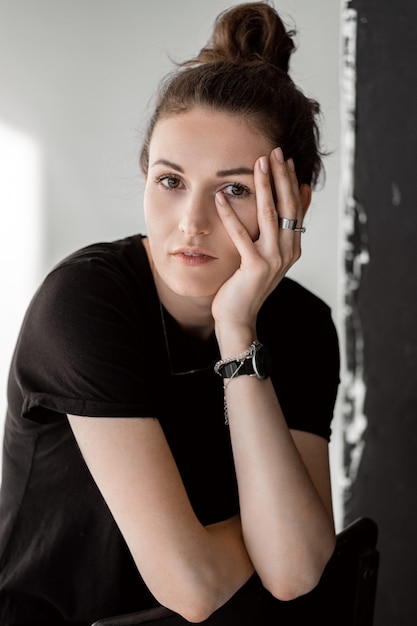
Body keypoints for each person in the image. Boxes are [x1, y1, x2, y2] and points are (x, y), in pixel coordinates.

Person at [0, 2, 340, 624]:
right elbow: (195, 587)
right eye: (171, 180)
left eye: (234, 189)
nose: (191, 222)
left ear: (293, 201)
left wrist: (238, 332)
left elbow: (293, 573)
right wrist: (275, 531)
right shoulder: (84, 305)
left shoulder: (302, 324)